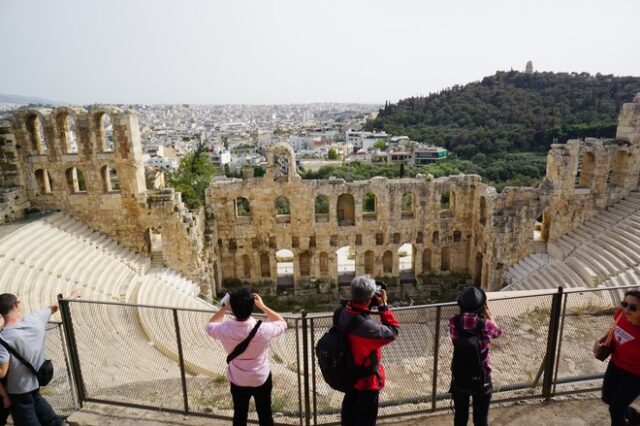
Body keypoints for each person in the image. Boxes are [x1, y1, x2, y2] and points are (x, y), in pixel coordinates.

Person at [206, 288, 287, 426]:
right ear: (251, 307)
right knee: (265, 413)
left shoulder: (224, 329)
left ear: (232, 308)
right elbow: (282, 323)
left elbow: (209, 326)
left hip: (238, 378)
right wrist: (262, 306)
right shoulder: (263, 329)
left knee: (240, 414)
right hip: (261, 377)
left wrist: (224, 308)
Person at [0, 290, 81, 426]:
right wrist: (71, 296)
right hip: (36, 381)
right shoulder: (36, 319)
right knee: (42, 408)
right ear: (17, 304)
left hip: (18, 390)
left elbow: (2, 372)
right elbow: (54, 307)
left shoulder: (4, 338)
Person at [337, 275, 400, 426]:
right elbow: (393, 331)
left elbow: (357, 311)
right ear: (369, 298)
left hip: (350, 375)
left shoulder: (342, 312)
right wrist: (383, 306)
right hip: (366, 382)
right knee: (365, 420)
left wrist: (366, 303)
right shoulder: (366, 327)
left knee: (349, 417)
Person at [448, 287, 502, 426]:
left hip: (460, 376)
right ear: (481, 307)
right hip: (482, 376)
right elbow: (498, 332)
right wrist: (488, 315)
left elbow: (455, 342)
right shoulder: (486, 325)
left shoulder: (454, 322)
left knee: (460, 418)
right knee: (481, 420)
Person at [596, 290, 640, 426]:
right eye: (624, 304)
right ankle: (633, 415)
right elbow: (614, 330)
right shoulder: (620, 314)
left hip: (635, 375)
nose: (627, 309)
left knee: (615, 409)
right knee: (607, 397)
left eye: (633, 308)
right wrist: (602, 341)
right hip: (615, 364)